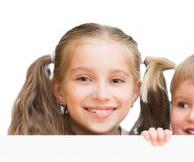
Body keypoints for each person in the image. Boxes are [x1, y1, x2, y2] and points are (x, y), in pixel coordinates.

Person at [8, 23, 142, 135]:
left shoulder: (143, 147)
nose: (101, 95)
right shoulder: (33, 146)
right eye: (83, 79)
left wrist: (159, 147)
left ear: (134, 92)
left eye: (116, 81)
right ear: (59, 90)